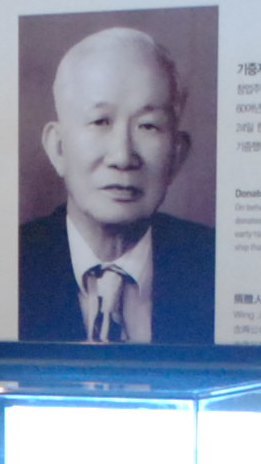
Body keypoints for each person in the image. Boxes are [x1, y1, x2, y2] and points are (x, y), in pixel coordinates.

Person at [16, 25, 216, 344]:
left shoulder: (215, 264)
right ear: (58, 148)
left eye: (148, 126)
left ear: (177, 154)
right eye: (100, 122)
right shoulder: (11, 262)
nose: (122, 157)